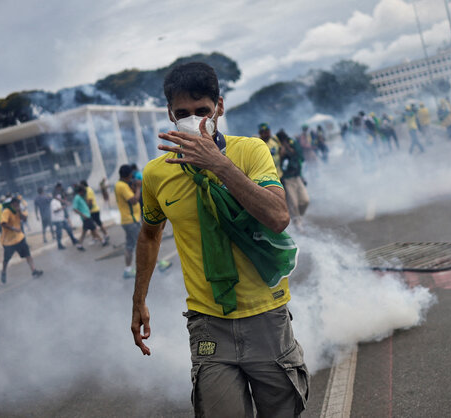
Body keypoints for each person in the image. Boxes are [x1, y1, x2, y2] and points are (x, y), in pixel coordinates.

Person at [131, 62, 308, 417]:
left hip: (266, 316)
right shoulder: (155, 174)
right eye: (182, 113)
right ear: (169, 113)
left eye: (202, 111)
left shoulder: (250, 152)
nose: (193, 120)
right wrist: (138, 301)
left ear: (219, 108)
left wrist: (220, 165)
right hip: (208, 321)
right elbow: (150, 235)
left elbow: (278, 217)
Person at [0, 196, 42, 283]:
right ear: (12, 204)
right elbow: (3, 223)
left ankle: (33, 271)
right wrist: (14, 229)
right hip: (8, 241)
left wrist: (19, 212)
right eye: (15, 203)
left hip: (19, 238)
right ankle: (3, 272)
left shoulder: (19, 210)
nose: (17, 205)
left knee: (28, 254)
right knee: (6, 259)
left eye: (18, 203)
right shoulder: (6, 212)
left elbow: (25, 219)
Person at [277, 130, 310, 231]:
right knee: (293, 203)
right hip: (287, 179)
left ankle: (299, 216)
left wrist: (301, 176)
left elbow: (300, 159)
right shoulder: (278, 148)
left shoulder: (292, 144)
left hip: (297, 177)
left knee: (305, 201)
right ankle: (297, 222)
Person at [116, 165, 142, 278]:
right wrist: (138, 188)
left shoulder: (120, 185)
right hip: (131, 221)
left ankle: (127, 270)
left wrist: (133, 186)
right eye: (131, 175)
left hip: (127, 221)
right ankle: (155, 265)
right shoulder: (122, 186)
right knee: (144, 244)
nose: (132, 176)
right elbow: (134, 200)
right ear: (127, 175)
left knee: (130, 246)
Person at [72, 184, 106, 251]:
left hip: (87, 216)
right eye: (83, 192)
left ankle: (79, 244)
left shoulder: (80, 197)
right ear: (81, 191)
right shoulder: (77, 198)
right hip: (86, 217)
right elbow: (74, 209)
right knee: (93, 229)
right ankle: (102, 241)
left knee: (85, 232)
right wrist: (82, 215)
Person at [80, 181, 109, 245]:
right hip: (93, 210)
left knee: (97, 224)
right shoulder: (88, 190)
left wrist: (88, 210)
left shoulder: (88, 190)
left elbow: (90, 201)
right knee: (93, 225)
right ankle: (96, 237)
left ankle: (105, 235)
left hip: (93, 210)